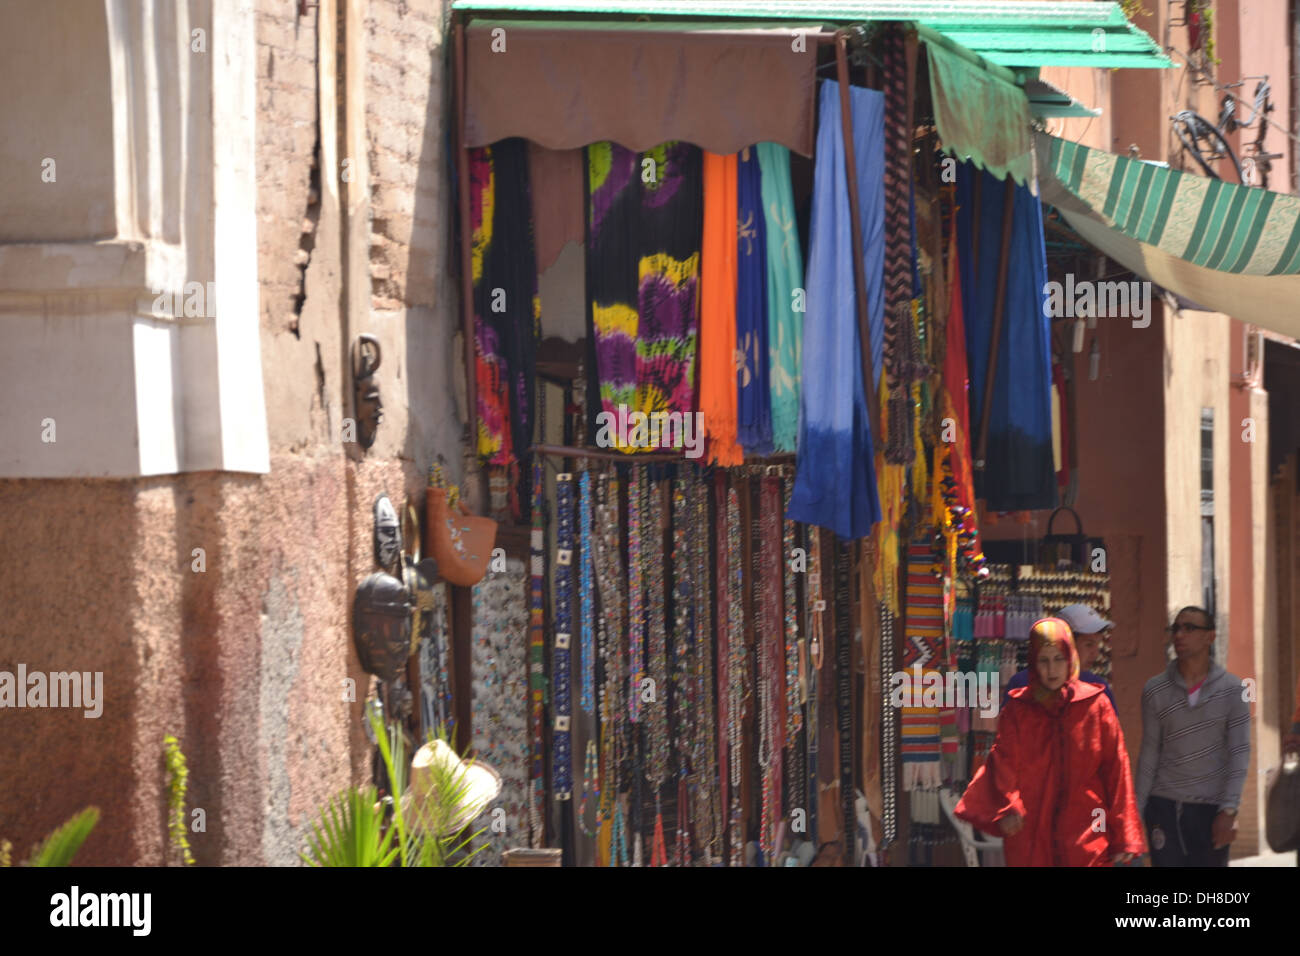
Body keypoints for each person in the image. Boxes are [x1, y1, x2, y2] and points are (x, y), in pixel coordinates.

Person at [956, 617, 1145, 866]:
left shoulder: (1096, 706)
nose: (1052, 670)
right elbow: (1004, 762)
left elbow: (1116, 772)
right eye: (1043, 661)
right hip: (1031, 827)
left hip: (1090, 824)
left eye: (1059, 659)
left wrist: (1124, 835)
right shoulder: (1019, 709)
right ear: (1033, 663)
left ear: (1070, 658)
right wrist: (1009, 807)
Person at [1136, 606, 1251, 867]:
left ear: (1209, 637)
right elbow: (1149, 753)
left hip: (1210, 811)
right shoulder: (1155, 690)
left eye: (1189, 628)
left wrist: (1229, 809)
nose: (1179, 635)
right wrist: (1136, 811)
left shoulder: (1234, 690)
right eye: (1176, 628)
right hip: (1162, 807)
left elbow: (1240, 752)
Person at [1001, 604, 1116, 711]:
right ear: (1067, 644)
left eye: (1098, 644)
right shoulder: (1021, 684)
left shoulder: (1098, 688)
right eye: (1089, 645)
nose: (1095, 653)